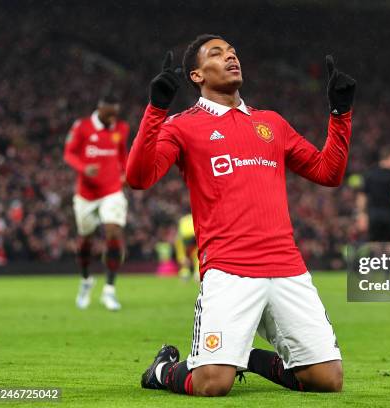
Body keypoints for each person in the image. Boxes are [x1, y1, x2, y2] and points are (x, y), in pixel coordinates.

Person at [126, 34, 355, 396]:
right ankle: (164, 370)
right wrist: (156, 109)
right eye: (216, 54)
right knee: (212, 384)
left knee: (327, 381)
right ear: (197, 75)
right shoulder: (182, 125)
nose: (230, 57)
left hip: (287, 267)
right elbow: (138, 178)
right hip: (229, 268)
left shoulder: (271, 123)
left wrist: (340, 114)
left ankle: (245, 357)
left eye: (232, 53)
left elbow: (329, 172)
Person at [64, 93, 129, 311]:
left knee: (113, 233)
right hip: (86, 194)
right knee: (85, 241)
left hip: (112, 190)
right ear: (101, 109)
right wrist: (84, 168)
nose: (113, 119)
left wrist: (126, 173)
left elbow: (123, 155)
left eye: (115, 115)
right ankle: (85, 280)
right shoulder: (81, 127)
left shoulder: (121, 129)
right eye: (110, 114)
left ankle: (109, 290)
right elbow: (69, 153)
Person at [174, 213, 199, 282]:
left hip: (196, 253)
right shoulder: (179, 240)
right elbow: (180, 255)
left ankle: (197, 272)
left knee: (198, 260)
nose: (189, 241)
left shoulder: (198, 240)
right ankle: (185, 273)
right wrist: (183, 259)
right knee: (185, 269)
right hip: (188, 256)